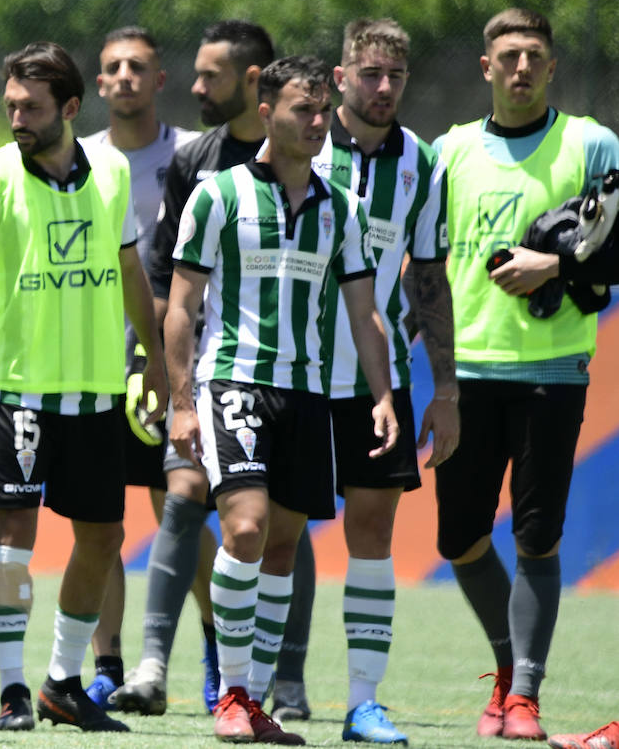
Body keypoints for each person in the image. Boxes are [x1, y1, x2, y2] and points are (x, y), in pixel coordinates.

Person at [0, 40, 166, 734]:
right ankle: (11, 690)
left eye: (30, 108)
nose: (17, 120)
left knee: (103, 537)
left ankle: (63, 681)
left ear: (68, 107)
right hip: (19, 393)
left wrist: (153, 359)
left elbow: (129, 269)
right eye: (9, 107)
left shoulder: (113, 171)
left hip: (96, 392)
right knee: (12, 537)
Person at [165, 55, 398, 745]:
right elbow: (181, 308)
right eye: (305, 109)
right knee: (244, 528)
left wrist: (382, 396)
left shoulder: (343, 208)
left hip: (310, 396)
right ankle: (232, 692)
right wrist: (181, 401)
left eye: (324, 110)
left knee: (282, 548)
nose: (319, 122)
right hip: (233, 381)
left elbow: (366, 314)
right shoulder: (219, 195)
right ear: (266, 112)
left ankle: (254, 700)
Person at [433, 8, 619, 741]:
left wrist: (561, 261)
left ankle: (524, 698)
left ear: (551, 68)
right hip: (467, 371)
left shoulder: (590, 143)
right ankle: (509, 669)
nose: (520, 67)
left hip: (553, 368)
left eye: (534, 55)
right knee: (460, 538)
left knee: (537, 535)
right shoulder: (448, 152)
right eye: (507, 55)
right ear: (485, 66)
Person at [300, 19, 459, 744]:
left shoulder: (422, 162)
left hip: (376, 384)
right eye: (370, 73)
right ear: (340, 77)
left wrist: (444, 391)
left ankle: (364, 701)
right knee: (273, 535)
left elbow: (429, 278)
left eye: (396, 74)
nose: (384, 87)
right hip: (290, 374)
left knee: (371, 534)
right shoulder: (301, 144)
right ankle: (261, 689)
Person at [119, 19, 275, 717]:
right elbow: (163, 276)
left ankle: (270, 677)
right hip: (204, 363)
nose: (195, 86)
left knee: (278, 528)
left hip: (282, 368)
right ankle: (153, 665)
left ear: (252, 80)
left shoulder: (306, 155)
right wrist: (157, 366)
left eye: (210, 75)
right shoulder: (193, 159)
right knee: (182, 496)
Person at [75, 25, 197, 710]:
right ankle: (109, 665)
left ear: (160, 81)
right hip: (95, 364)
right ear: (98, 85)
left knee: (182, 507)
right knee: (102, 523)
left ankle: (213, 657)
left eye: (138, 67)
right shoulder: (80, 159)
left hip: (174, 363)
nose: (124, 76)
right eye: (113, 67)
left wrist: (164, 359)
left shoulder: (189, 156)